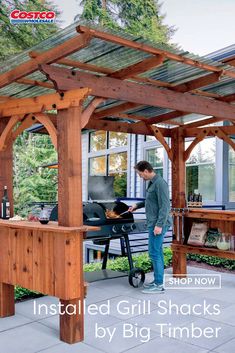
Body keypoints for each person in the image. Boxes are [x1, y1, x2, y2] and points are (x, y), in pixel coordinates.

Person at [129, 161, 172, 294]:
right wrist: (137, 205)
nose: (140, 176)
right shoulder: (152, 183)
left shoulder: (160, 183)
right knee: (156, 252)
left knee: (154, 252)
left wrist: (159, 225)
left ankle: (159, 285)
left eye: (140, 173)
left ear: (146, 171)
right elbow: (150, 200)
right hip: (154, 223)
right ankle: (157, 281)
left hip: (158, 224)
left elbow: (165, 206)